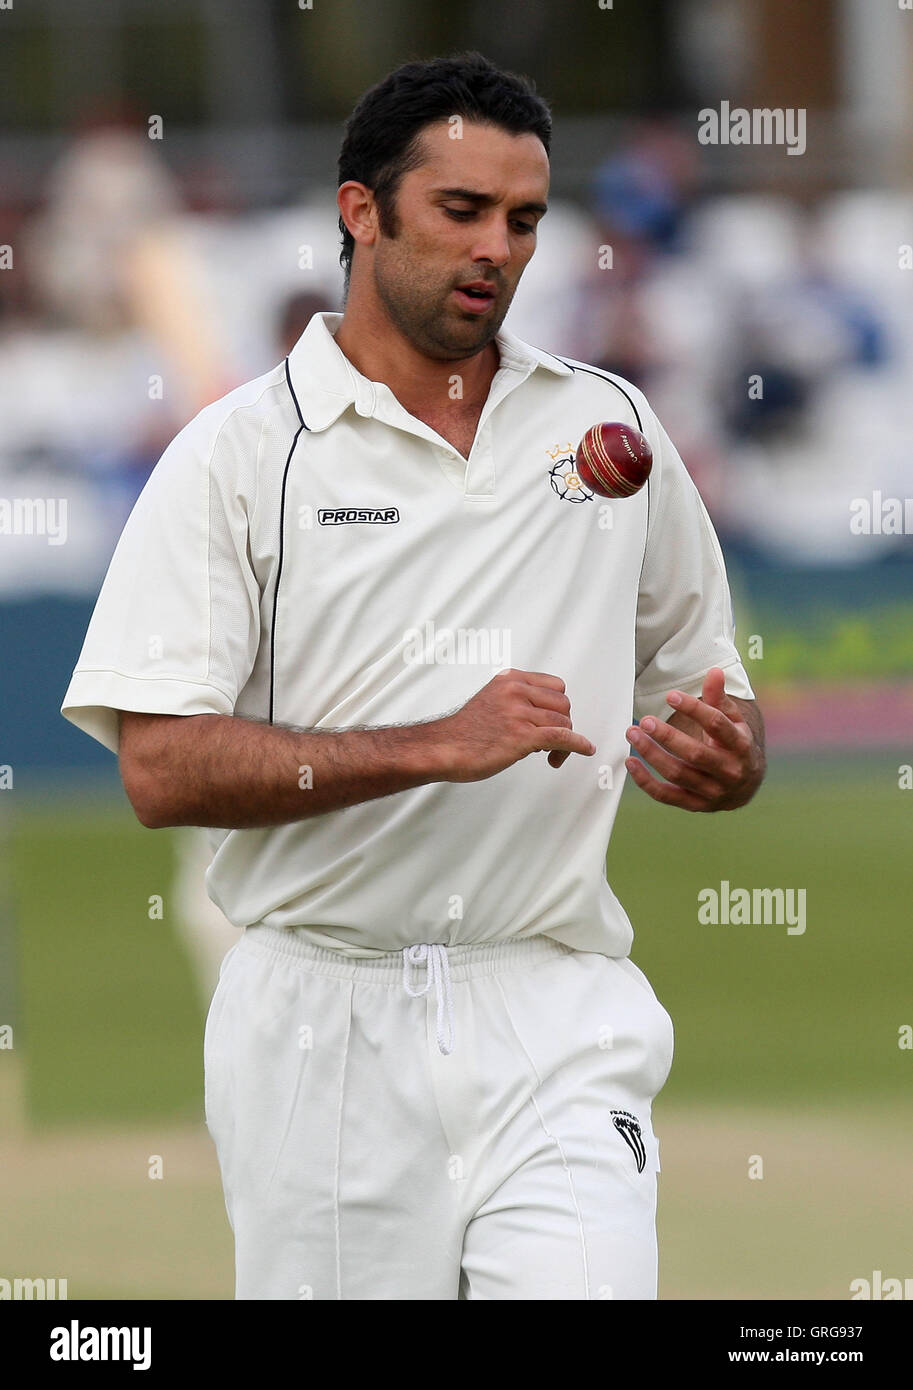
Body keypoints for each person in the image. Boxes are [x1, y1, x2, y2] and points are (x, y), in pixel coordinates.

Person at [61, 51, 765, 1301]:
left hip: (553, 1002)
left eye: (524, 219)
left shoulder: (609, 426)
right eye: (460, 211)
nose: (497, 246)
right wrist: (428, 743)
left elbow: (715, 687)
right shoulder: (233, 458)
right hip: (318, 1027)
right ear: (360, 210)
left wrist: (730, 757)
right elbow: (161, 768)